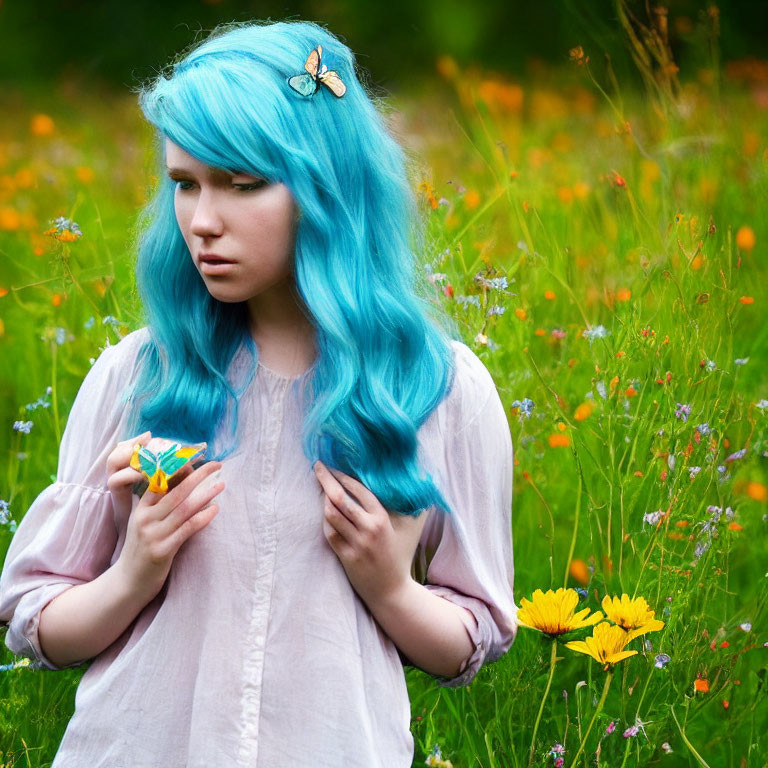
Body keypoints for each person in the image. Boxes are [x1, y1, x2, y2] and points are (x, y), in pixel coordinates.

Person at [0, 19, 518, 768]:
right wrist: (135, 570)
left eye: (242, 185)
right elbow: (40, 624)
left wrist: (391, 589)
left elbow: (467, 641)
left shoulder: (434, 392)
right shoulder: (138, 377)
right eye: (184, 184)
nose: (203, 221)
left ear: (326, 192)